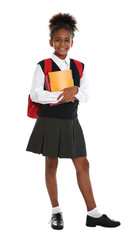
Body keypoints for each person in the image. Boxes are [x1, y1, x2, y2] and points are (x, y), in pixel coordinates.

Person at [26, 13, 121, 230]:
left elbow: (86, 95)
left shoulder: (80, 66)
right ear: (51, 42)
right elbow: (36, 95)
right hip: (49, 120)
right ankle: (56, 211)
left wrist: (75, 90)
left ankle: (93, 213)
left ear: (72, 42)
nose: (62, 44)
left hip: (71, 121)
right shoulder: (43, 65)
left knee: (83, 164)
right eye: (57, 40)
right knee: (51, 164)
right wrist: (64, 94)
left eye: (66, 40)